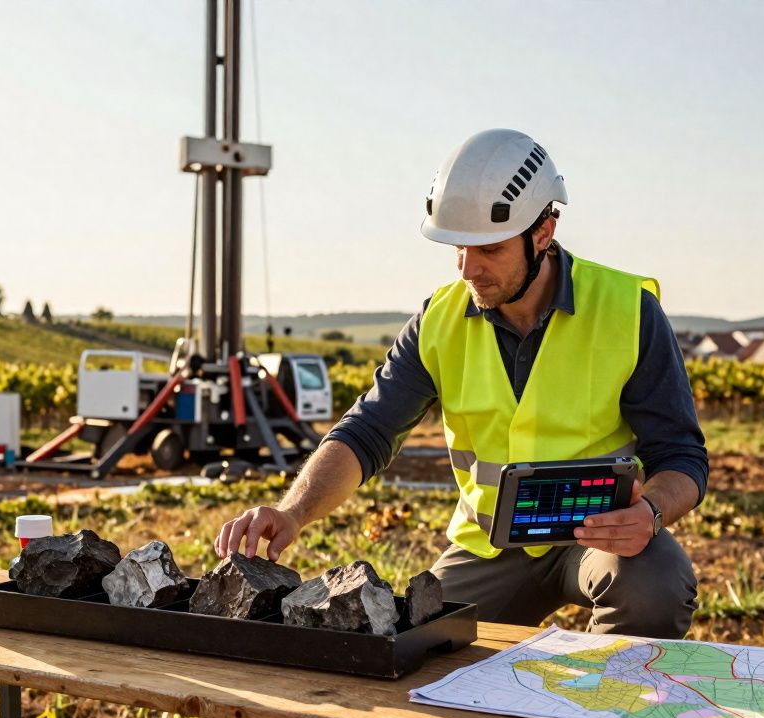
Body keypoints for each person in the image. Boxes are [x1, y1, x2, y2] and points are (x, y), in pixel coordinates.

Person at [214, 129, 707, 638]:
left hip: (598, 535)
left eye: (489, 248)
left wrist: (648, 511)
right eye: (458, 247)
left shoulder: (629, 311)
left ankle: (596, 709)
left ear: (543, 232)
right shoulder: (439, 320)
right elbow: (367, 433)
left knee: (658, 585)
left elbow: (681, 457)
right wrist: (293, 512)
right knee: (422, 646)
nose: (468, 268)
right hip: (488, 545)